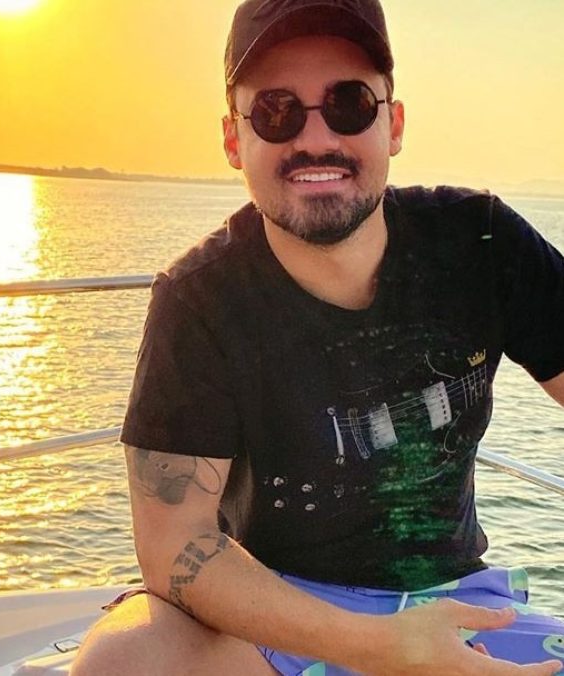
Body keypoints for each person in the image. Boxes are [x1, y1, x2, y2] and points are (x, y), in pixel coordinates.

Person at [71, 1, 564, 674]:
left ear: (392, 124)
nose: (315, 138)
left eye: (349, 104)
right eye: (275, 111)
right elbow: (174, 546)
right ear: (233, 139)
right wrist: (384, 649)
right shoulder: (200, 301)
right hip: (272, 610)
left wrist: (420, 642)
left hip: (456, 604)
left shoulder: (480, 242)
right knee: (124, 662)